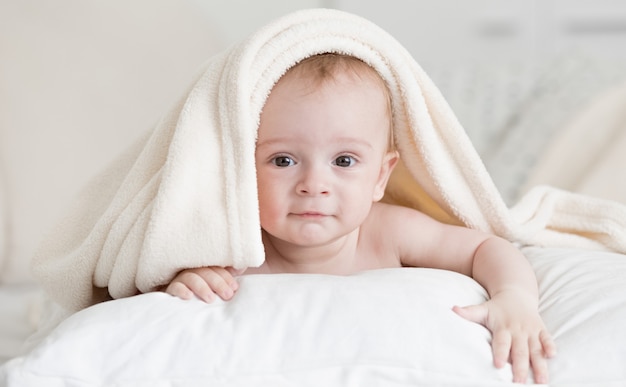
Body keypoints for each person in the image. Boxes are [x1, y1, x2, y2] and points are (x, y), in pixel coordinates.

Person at [165, 53, 556, 383]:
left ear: (380, 177)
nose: (313, 184)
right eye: (283, 160)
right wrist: (185, 281)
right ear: (241, 169)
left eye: (344, 161)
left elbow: (486, 248)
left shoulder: (388, 232)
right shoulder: (231, 255)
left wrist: (515, 298)